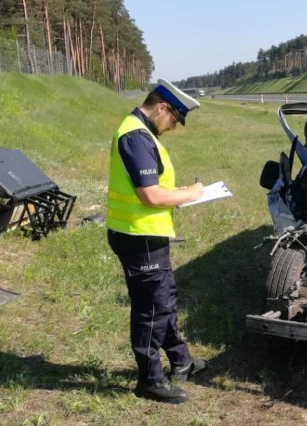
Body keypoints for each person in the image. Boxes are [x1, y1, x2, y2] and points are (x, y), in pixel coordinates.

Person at [106, 79, 206, 404]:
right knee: (152, 308)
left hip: (146, 234)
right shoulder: (135, 135)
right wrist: (190, 194)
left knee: (163, 299)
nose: (173, 127)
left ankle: (181, 362)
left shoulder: (141, 131)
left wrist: (180, 194)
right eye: (174, 120)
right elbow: (149, 195)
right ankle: (149, 380)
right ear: (162, 107)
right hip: (139, 236)